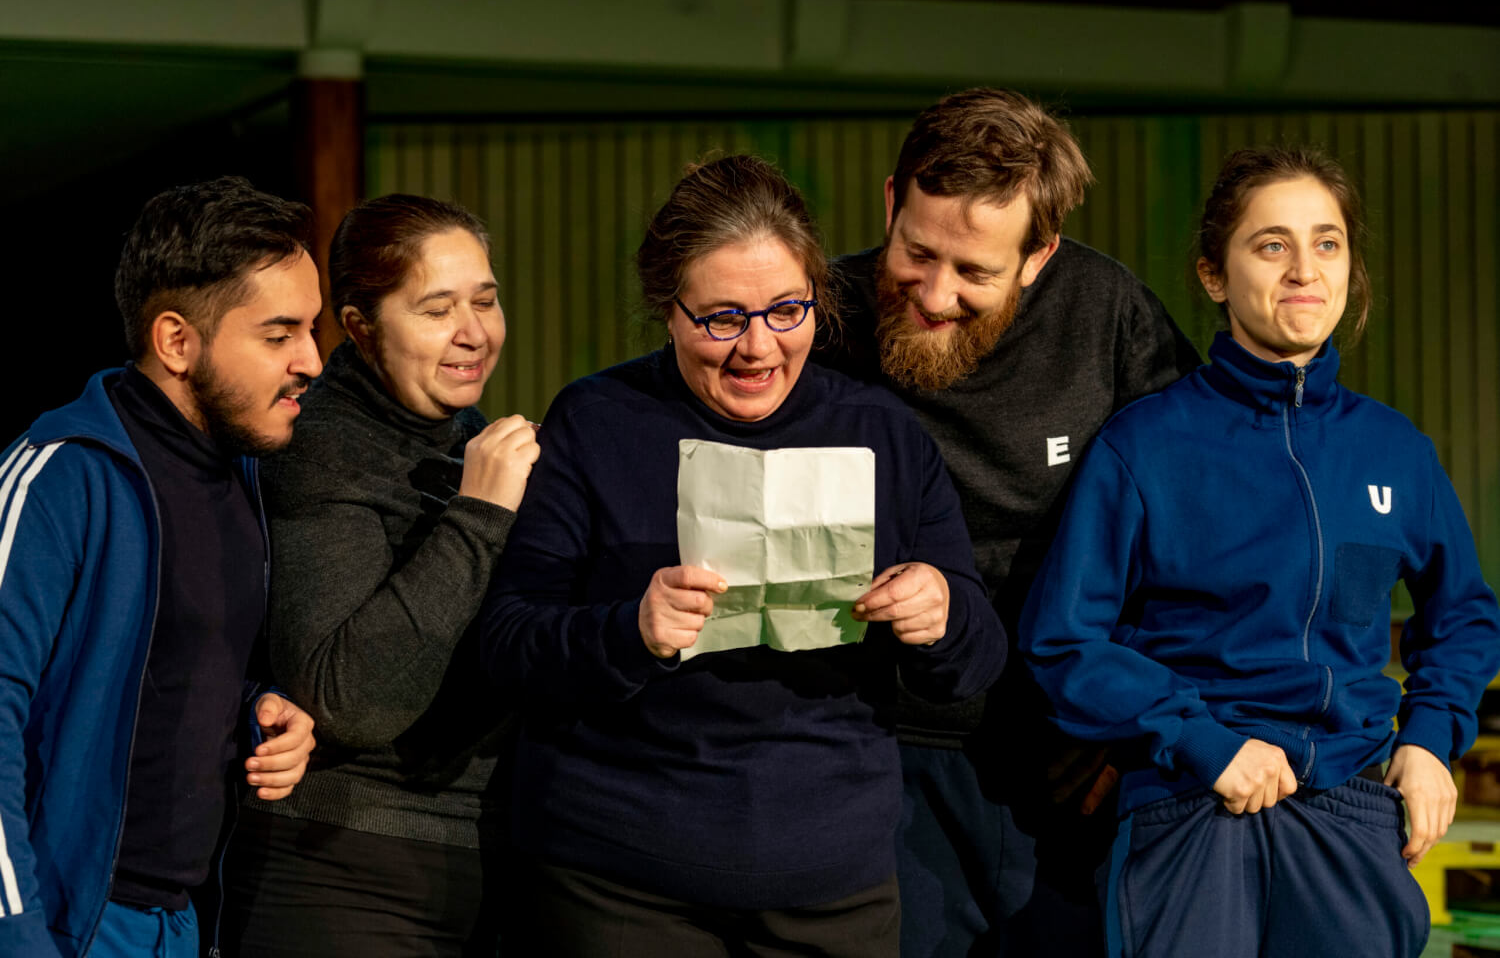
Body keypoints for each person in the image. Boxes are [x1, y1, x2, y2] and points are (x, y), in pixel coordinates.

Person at [480, 154, 1005, 957]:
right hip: (617, 882)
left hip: (832, 885)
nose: (758, 348)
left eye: (787, 311)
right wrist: (632, 631)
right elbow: (509, 644)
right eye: (722, 318)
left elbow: (976, 660)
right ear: (668, 309)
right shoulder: (598, 420)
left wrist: (942, 611)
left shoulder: (882, 432)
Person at [1018, 147, 1500, 957]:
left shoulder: (1394, 452)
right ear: (1214, 274)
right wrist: (1205, 743)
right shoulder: (1147, 446)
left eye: (1327, 243)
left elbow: (1464, 615)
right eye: (1271, 245)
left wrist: (1429, 740)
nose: (1304, 269)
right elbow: (1062, 641)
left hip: (1348, 807)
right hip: (1194, 804)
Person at [815, 87, 1201, 956]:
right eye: (916, 252)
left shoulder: (1108, 316)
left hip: (1066, 762)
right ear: (890, 201)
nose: (935, 294)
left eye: (976, 272)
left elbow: (1197, 532)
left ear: (1039, 257)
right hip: (873, 753)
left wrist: (1138, 724)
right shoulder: (816, 321)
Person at [0, 176, 321, 958]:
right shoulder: (60, 476)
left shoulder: (237, 476)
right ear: (177, 341)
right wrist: (20, 935)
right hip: (67, 925)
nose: (313, 359)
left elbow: (156, 665)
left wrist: (259, 708)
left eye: (311, 329)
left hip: (182, 924)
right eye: (279, 334)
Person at [220, 195, 539, 957]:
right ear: (361, 326)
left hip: (484, 865)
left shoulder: (471, 438)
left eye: (486, 301)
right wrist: (481, 515)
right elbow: (344, 697)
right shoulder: (319, 445)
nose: (474, 333)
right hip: (342, 872)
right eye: (436, 310)